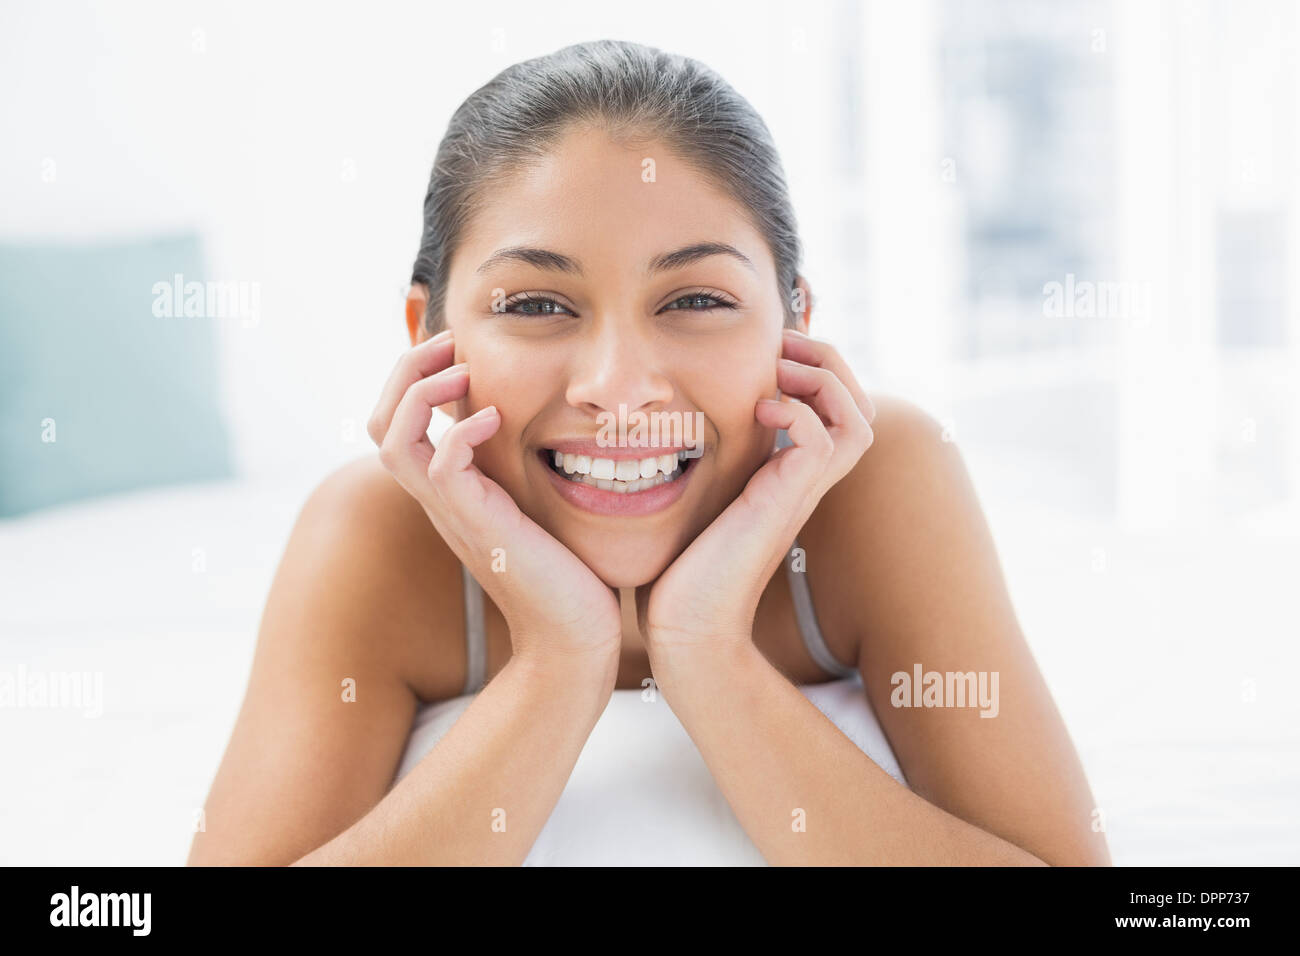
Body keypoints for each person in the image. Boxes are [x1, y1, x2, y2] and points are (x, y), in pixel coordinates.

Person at [188, 39, 1109, 866]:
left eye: (696, 301)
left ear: (795, 325)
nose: (621, 391)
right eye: (536, 305)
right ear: (428, 335)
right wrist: (560, 657)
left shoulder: (879, 483)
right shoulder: (376, 532)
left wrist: (704, 650)